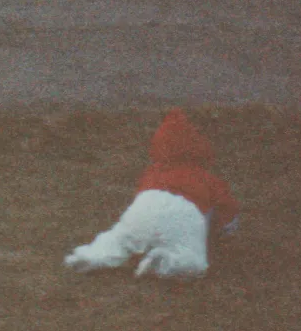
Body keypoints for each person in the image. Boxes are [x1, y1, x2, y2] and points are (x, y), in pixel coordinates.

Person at [63, 108, 239, 278]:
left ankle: (93, 256)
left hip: (144, 206)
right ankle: (164, 262)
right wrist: (225, 230)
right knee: (191, 259)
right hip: (185, 213)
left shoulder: (153, 172)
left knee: (118, 239)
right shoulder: (205, 177)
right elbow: (226, 208)